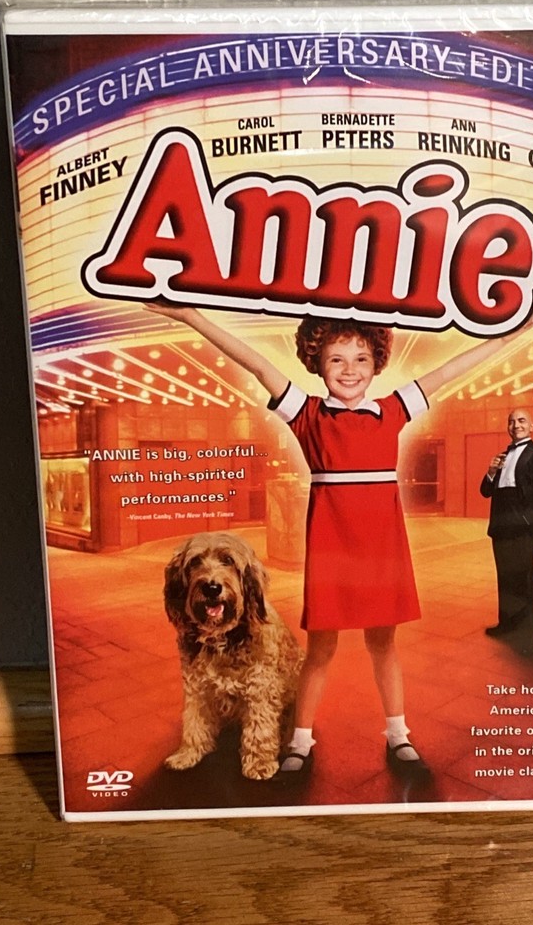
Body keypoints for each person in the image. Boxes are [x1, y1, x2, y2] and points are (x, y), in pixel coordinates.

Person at [146, 302, 507, 781]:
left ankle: (398, 735)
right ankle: (300, 741)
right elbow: (257, 364)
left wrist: (504, 338)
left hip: (382, 551)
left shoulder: (393, 410)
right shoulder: (307, 414)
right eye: (337, 358)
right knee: (319, 651)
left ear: (376, 364)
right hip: (331, 552)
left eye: (361, 359)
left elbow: (446, 372)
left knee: (384, 646)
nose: (349, 369)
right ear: (317, 362)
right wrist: (192, 318)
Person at [480, 409, 533, 653]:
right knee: (505, 577)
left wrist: (526, 518)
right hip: (500, 524)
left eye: (522, 420)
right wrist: (491, 472)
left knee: (523, 579)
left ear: (532, 426)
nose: (516, 425)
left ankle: (527, 637)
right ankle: (506, 626)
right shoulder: (502, 456)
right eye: (512, 422)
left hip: (523, 525)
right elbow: (485, 492)